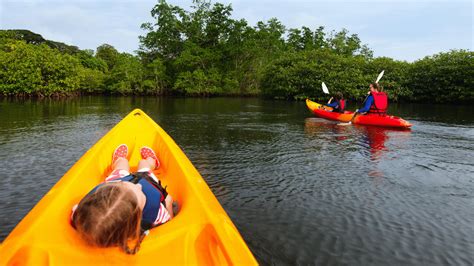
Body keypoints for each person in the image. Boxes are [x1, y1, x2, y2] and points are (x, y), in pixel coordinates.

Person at [71, 144, 174, 254]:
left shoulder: (83, 217)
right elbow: (169, 220)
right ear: (136, 218)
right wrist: (168, 203)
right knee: (144, 164)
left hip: (117, 182)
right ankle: (151, 161)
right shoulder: (157, 214)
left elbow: (76, 209)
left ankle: (119, 160)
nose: (139, 186)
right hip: (145, 179)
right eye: (140, 192)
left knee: (121, 165)